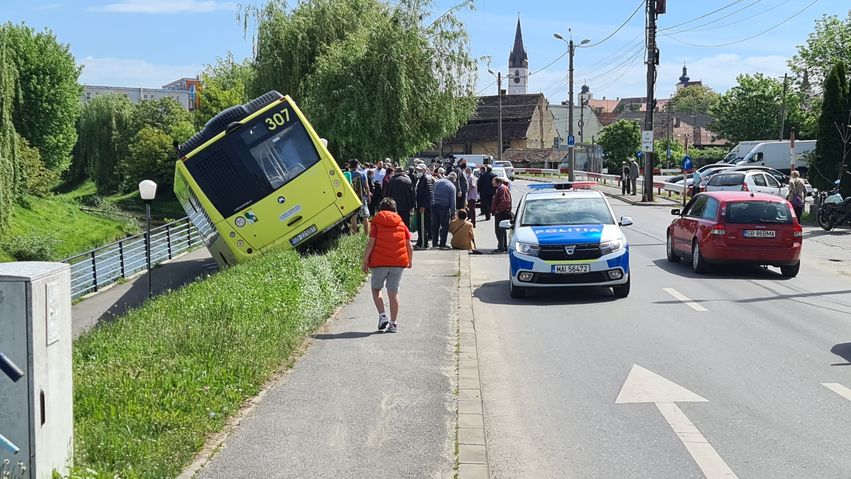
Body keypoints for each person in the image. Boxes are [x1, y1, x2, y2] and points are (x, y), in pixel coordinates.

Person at [362, 198, 412, 333]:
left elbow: (370, 244)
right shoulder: (402, 224)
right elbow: (409, 246)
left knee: (376, 289)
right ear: (395, 210)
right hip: (398, 263)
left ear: (380, 210)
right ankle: (393, 323)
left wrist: (364, 261)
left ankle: (383, 317)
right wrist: (410, 261)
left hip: (379, 262)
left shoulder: (376, 224)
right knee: (393, 292)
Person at [432, 170, 456, 249]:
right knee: (444, 226)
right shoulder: (452, 187)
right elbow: (452, 201)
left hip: (434, 206)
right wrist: (453, 213)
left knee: (435, 225)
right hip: (444, 208)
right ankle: (442, 244)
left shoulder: (437, 182)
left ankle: (434, 243)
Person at [348, 159, 371, 235]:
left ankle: (354, 233)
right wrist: (368, 196)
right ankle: (366, 234)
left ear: (349, 166)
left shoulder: (348, 174)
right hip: (362, 197)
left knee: (353, 217)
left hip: (352, 199)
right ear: (357, 165)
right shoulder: (362, 174)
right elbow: (366, 186)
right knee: (365, 216)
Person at [414, 164, 434, 248]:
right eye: (417, 170)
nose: (418, 172)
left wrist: (423, 206)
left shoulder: (426, 179)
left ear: (424, 170)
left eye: (420, 170)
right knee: (420, 225)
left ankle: (424, 243)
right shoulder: (420, 179)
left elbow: (428, 194)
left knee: (423, 225)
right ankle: (421, 241)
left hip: (424, 207)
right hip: (420, 205)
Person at [491, 177, 512, 253]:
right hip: (500, 212)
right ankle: (503, 246)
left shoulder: (502, 189)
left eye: (494, 181)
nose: (492, 183)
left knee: (499, 230)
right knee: (501, 230)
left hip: (501, 213)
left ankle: (501, 248)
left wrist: (497, 210)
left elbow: (505, 202)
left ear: (498, 182)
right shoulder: (500, 189)